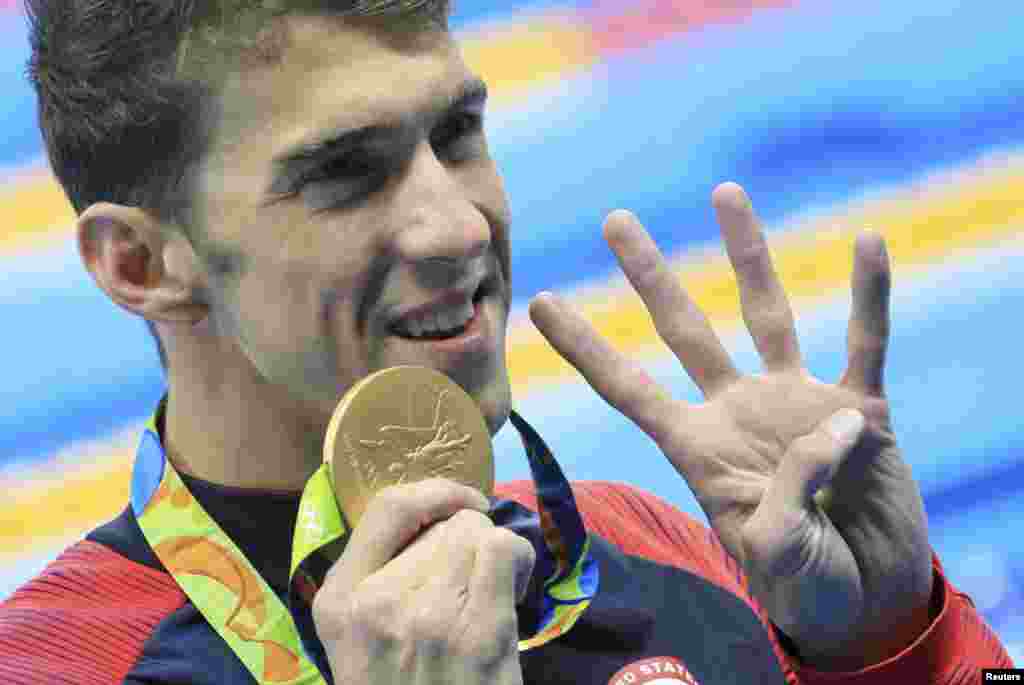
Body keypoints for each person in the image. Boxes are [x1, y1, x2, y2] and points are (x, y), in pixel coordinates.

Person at [0, 0, 1014, 683]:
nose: (459, 224)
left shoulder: (656, 553)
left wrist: (891, 645)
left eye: (455, 135)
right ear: (140, 264)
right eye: (345, 172)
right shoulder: (55, 665)